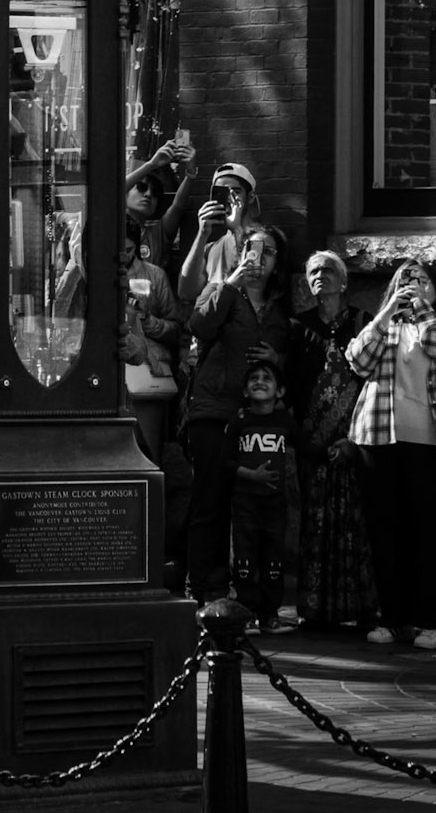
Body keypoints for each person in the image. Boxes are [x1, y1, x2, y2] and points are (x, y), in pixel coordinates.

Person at [347, 260, 436, 653]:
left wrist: (423, 314)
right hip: (379, 439)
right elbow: (357, 360)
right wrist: (387, 314)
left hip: (433, 442)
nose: (411, 285)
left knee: (431, 532)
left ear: (435, 288)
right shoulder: (384, 326)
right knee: (386, 531)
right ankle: (394, 618)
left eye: (420, 280)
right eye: (404, 280)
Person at [180, 224, 270, 603]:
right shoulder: (220, 289)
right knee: (209, 503)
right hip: (212, 413)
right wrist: (229, 284)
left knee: (230, 505)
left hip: (240, 414)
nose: (255, 260)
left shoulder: (263, 303)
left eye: (264, 253)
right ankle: (202, 589)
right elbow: (199, 324)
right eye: (250, 251)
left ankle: (222, 587)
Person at [288, 250, 376, 632]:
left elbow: (372, 380)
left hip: (354, 437)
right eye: (313, 271)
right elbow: (290, 385)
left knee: (356, 522)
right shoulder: (297, 326)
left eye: (328, 270)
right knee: (315, 522)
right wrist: (306, 441)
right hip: (312, 441)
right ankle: (315, 611)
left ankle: (360, 609)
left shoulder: (362, 321)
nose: (320, 276)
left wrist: (352, 440)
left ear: (343, 281)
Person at [230, 359, 293, 630]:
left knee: (273, 558)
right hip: (245, 501)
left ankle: (270, 615)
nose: (259, 381)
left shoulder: (285, 422)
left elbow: (304, 447)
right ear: (245, 390)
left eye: (267, 378)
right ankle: (246, 613)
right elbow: (224, 462)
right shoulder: (238, 422)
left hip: (275, 503)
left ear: (279, 391)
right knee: (244, 558)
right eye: (254, 378)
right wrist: (250, 475)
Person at [124, 214, 186, 464]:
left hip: (146, 370)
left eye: (127, 249)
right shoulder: (93, 272)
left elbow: (176, 328)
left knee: (148, 452)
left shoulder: (154, 275)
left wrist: (148, 321)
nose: (121, 256)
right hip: (110, 370)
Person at [177, 162, 260, 304]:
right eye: (223, 193)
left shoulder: (264, 238)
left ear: (250, 197)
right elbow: (186, 293)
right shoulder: (211, 249)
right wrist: (202, 234)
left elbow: (256, 286)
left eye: (235, 192)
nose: (229, 199)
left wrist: (237, 228)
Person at [125, 136, 192, 278]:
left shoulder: (158, 233)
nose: (148, 194)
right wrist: (152, 164)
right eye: (142, 187)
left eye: (155, 192)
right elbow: (112, 193)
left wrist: (191, 172)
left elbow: (178, 205)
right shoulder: (112, 227)